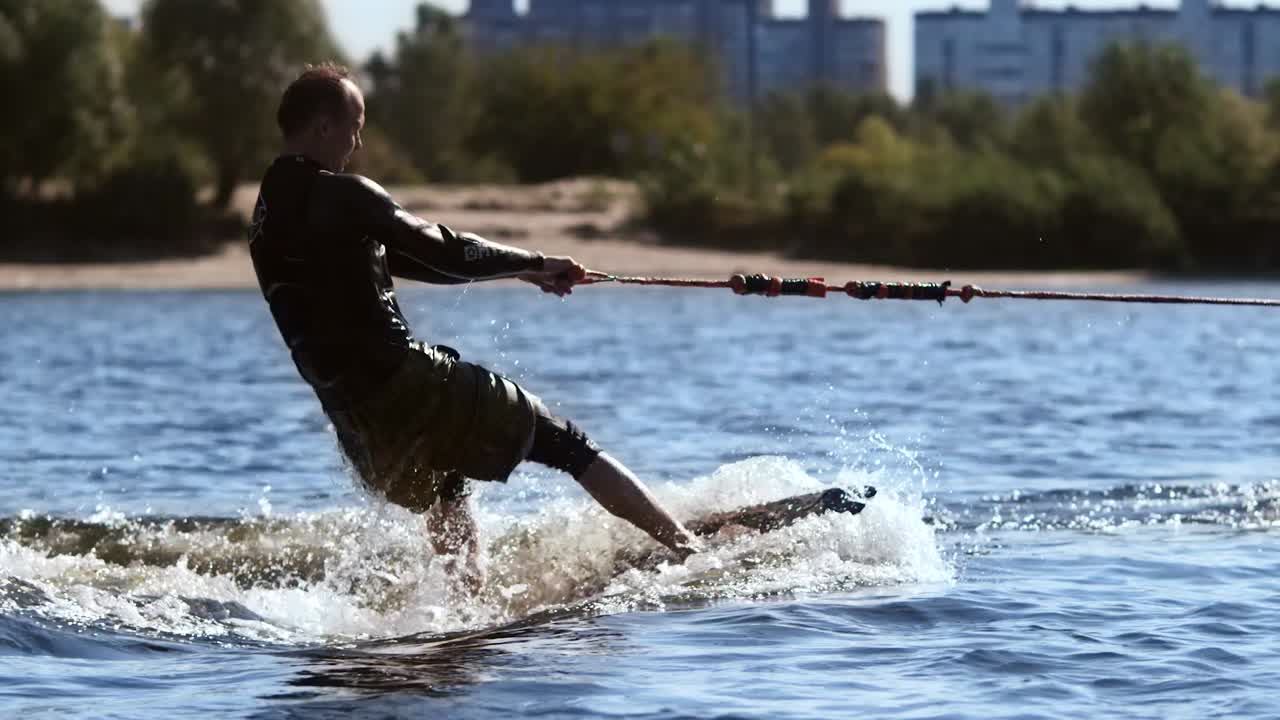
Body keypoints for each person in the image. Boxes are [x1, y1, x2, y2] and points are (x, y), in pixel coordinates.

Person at [247, 63, 700, 590]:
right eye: (354, 123)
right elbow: (441, 247)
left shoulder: (267, 220)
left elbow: (403, 260)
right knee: (563, 443)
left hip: (357, 424)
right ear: (323, 126)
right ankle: (690, 549)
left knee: (448, 482)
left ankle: (466, 602)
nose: (358, 139)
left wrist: (526, 270)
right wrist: (535, 257)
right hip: (406, 384)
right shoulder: (343, 194)